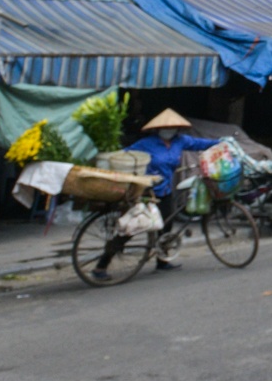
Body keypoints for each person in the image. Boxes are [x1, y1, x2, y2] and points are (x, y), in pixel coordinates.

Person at [93, 108, 219, 279]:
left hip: (165, 190)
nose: (169, 130)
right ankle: (101, 266)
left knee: (166, 226)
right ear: (158, 129)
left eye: (172, 127)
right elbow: (126, 156)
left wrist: (221, 142)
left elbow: (199, 144)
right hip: (146, 192)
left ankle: (162, 261)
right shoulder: (147, 144)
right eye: (165, 128)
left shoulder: (180, 141)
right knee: (132, 227)